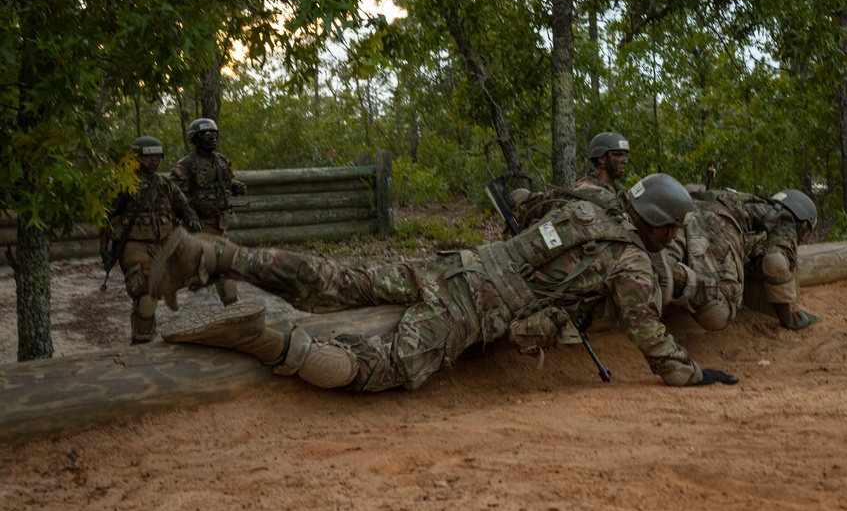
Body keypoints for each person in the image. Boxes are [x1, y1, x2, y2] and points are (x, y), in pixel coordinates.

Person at [149, 174, 739, 392]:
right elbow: (649, 336)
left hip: (454, 262)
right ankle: (272, 344)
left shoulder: (589, 201)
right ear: (659, 227)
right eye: (671, 231)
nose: (669, 240)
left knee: (335, 278)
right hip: (473, 304)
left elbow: (531, 201)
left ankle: (211, 253)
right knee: (392, 369)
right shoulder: (631, 262)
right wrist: (689, 372)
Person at [665, 187, 823, 332]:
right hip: (717, 223)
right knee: (718, 309)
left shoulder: (750, 203)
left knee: (666, 256)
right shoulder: (785, 220)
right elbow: (776, 262)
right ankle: (677, 275)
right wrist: (789, 320)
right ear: (802, 225)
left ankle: (662, 266)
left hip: (686, 208)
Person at [99, 136, 202, 344]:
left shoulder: (165, 184)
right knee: (146, 292)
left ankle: (146, 336)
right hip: (135, 245)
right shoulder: (122, 185)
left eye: (156, 156)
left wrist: (192, 221)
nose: (153, 160)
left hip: (164, 245)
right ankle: (142, 341)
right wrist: (104, 247)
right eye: (148, 157)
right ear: (136, 159)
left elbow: (182, 207)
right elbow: (104, 216)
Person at [169, 118, 248, 307]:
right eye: (206, 134)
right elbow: (173, 195)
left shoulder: (220, 161)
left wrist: (235, 187)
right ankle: (232, 303)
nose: (212, 137)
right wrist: (197, 205)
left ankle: (195, 281)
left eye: (214, 133)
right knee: (223, 264)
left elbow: (226, 183)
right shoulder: (186, 164)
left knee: (220, 263)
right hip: (199, 224)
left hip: (219, 222)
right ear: (195, 138)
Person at [573, 132, 630, 206]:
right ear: (602, 159)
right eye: (618, 154)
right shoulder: (585, 190)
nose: (624, 161)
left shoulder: (620, 191)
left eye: (626, 156)